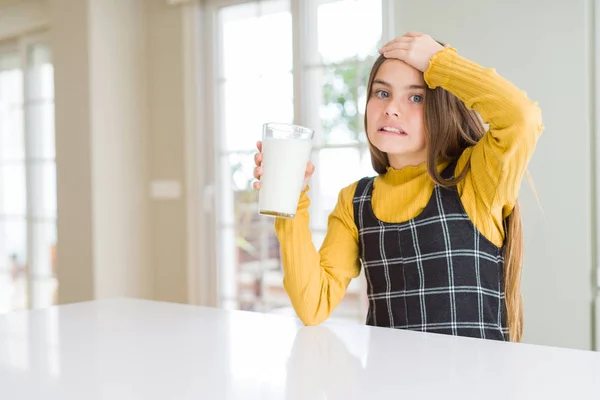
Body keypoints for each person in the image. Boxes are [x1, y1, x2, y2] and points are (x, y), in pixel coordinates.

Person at [252, 32, 543, 342]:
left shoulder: (475, 178)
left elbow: (522, 118)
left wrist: (439, 62)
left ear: (441, 108)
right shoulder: (355, 201)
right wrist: (291, 205)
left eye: (416, 97)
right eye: (381, 93)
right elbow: (313, 305)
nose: (391, 108)